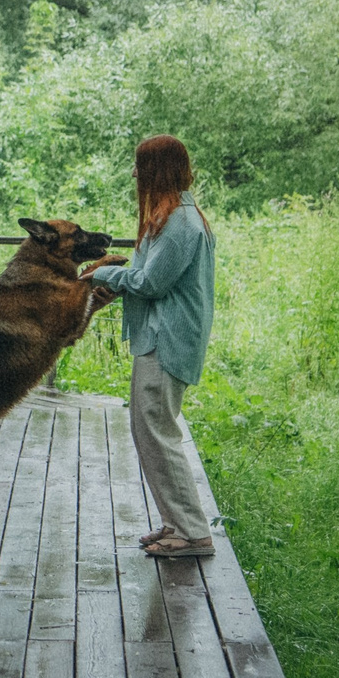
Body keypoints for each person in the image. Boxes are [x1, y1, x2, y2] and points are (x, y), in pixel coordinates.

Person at [85, 134, 217, 559]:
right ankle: (177, 522)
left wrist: (102, 276)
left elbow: (150, 283)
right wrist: (112, 278)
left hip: (168, 339)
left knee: (157, 430)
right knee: (150, 430)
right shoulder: (168, 217)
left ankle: (193, 533)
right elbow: (144, 274)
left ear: (157, 170)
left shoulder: (180, 222)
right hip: (159, 337)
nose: (135, 174)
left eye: (140, 166)